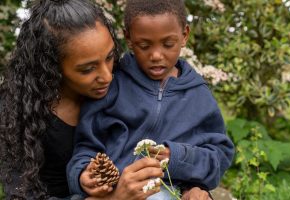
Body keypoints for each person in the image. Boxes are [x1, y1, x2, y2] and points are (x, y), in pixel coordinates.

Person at [0, 0, 210, 199]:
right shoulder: (16, 114)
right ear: (52, 67)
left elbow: (174, 143)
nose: (108, 76)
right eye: (88, 69)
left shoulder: (126, 87)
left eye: (109, 57)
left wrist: (193, 186)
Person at [67, 0, 235, 199]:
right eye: (144, 45)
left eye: (168, 44)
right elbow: (85, 147)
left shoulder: (199, 96)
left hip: (166, 191)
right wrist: (82, 175)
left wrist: (176, 158)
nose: (156, 55)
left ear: (184, 35)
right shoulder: (111, 85)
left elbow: (219, 156)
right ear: (128, 38)